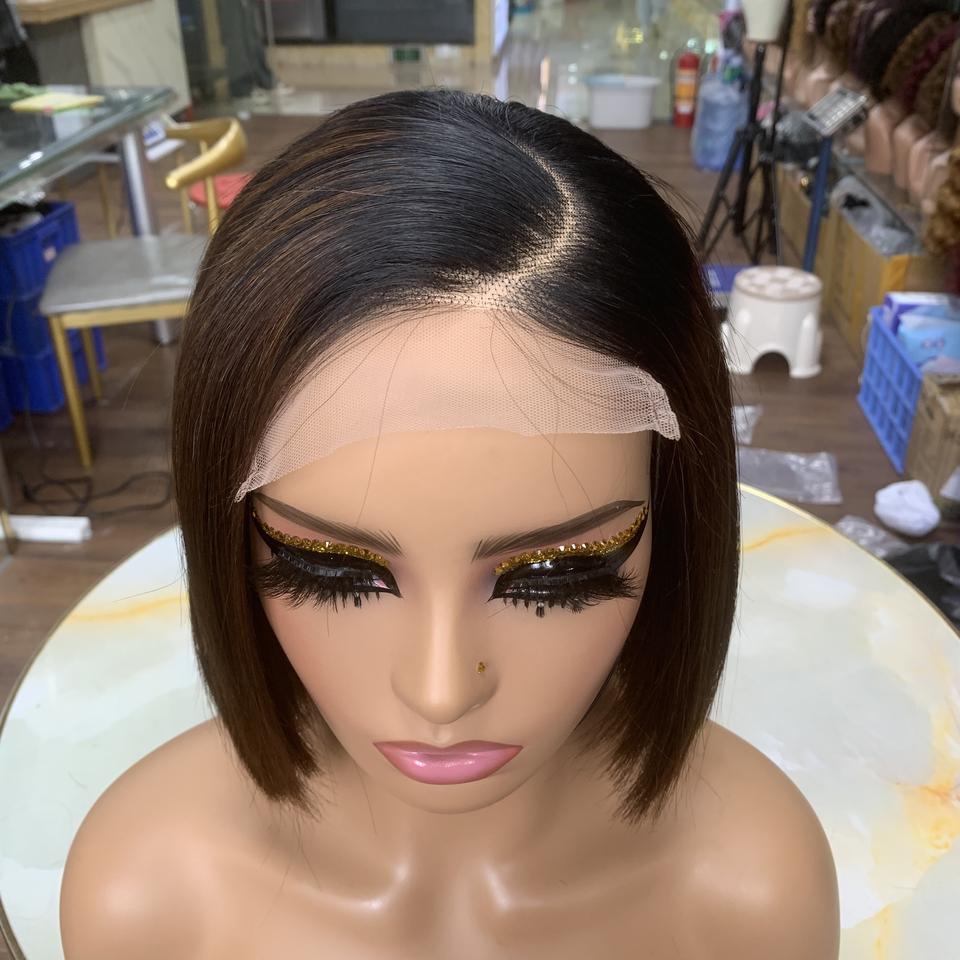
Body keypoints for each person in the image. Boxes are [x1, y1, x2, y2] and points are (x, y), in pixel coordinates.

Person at [60, 89, 840, 959]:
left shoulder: (753, 894)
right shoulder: (144, 893)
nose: (441, 692)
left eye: (556, 576)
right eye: (330, 569)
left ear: (677, 521)